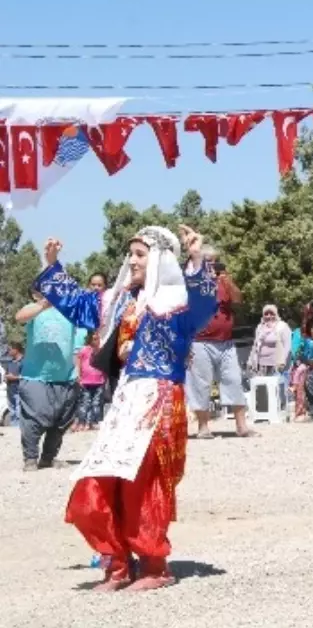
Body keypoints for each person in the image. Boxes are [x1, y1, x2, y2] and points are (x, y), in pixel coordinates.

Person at [35, 225, 217, 591]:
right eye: (130, 254)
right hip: (125, 400)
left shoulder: (177, 300)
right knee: (97, 479)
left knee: (141, 482)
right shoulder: (117, 301)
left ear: (160, 259)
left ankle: (154, 566)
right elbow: (80, 304)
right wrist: (52, 265)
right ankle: (116, 563)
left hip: (160, 396)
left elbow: (205, 303)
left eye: (140, 254)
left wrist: (196, 257)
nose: (131, 261)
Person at [14, 290, 85, 470]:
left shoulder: (70, 312)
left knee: (61, 421)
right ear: (35, 293)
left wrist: (78, 372)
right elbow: (19, 317)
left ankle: (48, 457)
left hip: (66, 377)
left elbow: (76, 346)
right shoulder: (35, 308)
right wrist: (44, 304)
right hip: (36, 377)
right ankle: (30, 458)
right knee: (34, 418)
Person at [187, 254, 254, 439]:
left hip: (226, 341)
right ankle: (203, 427)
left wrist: (227, 280)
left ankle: (241, 426)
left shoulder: (223, 282)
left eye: (215, 261)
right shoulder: (193, 283)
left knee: (234, 380)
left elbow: (239, 299)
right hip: (200, 341)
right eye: (208, 261)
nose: (213, 265)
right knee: (200, 384)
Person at [75, 332, 107, 431]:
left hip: (99, 381)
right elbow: (78, 363)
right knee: (85, 402)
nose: (96, 341)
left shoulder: (101, 351)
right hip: (85, 381)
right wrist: (78, 376)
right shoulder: (84, 350)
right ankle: (82, 422)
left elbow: (105, 364)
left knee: (96, 403)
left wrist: (105, 377)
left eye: (97, 339)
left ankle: (94, 422)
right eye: (93, 339)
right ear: (89, 339)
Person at [247, 304, 291, 376]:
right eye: (266, 314)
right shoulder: (260, 327)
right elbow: (255, 345)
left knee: (274, 386)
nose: (269, 316)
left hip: (276, 366)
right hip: (261, 365)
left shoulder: (282, 326)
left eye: (271, 313)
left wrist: (282, 362)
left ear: (276, 314)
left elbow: (287, 346)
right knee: (262, 386)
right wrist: (250, 361)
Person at [4, 342, 23, 426]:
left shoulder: (24, 361)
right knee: (12, 412)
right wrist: (6, 377)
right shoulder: (10, 362)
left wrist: (14, 377)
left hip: (20, 391)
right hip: (10, 390)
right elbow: (7, 374)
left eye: (10, 349)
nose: (8, 351)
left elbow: (27, 377)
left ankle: (18, 430)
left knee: (19, 412)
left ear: (16, 350)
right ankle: (13, 430)